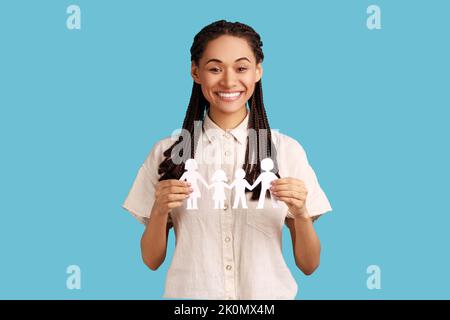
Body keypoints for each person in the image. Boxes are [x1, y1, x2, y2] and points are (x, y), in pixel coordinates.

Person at [122, 19, 332, 300]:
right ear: (195, 72)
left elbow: (309, 265)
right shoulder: (168, 152)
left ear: (258, 71)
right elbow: (151, 260)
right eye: (215, 68)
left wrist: (302, 213)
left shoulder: (286, 151)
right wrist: (160, 210)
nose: (229, 81)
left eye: (242, 68)